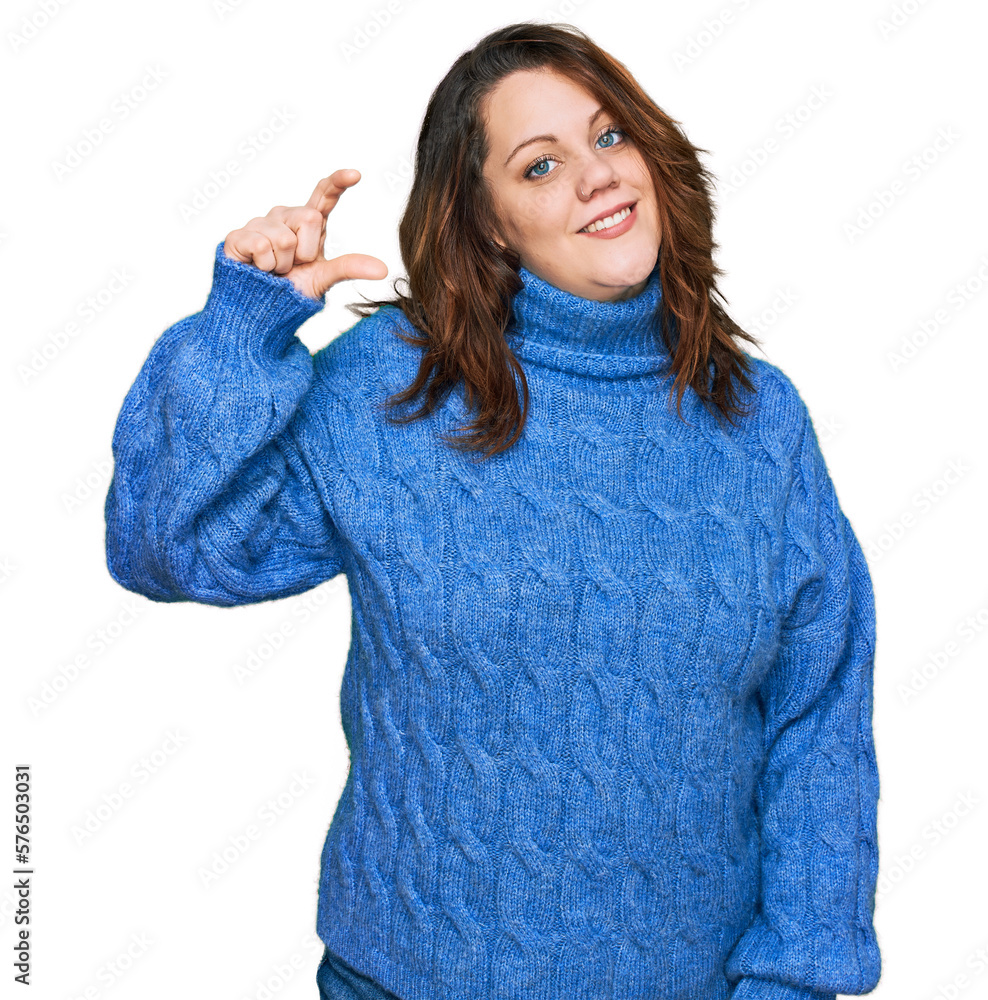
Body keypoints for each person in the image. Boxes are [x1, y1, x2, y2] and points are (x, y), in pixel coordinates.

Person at [103, 21, 882, 1000]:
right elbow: (167, 549)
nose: (595, 177)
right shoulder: (395, 389)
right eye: (540, 164)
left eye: (608, 137)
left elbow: (818, 719)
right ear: (489, 222)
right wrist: (239, 329)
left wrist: (796, 979)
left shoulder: (756, 421)